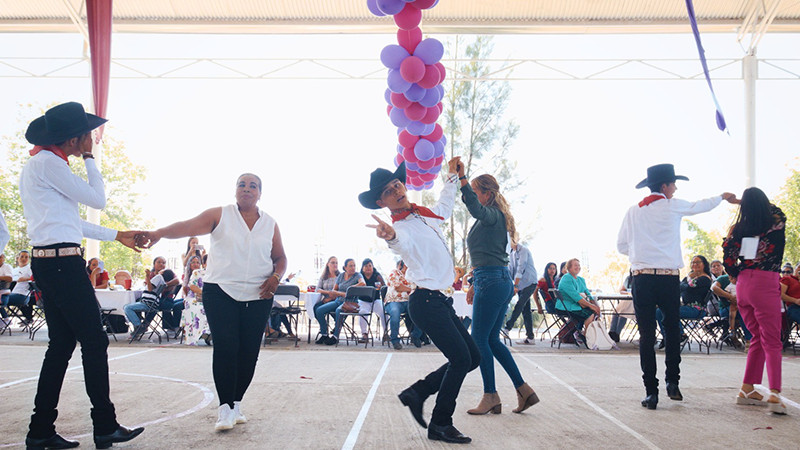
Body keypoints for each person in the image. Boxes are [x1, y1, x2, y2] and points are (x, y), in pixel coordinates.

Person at [19, 101, 144, 449]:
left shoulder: (41, 164)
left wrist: (116, 235)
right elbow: (97, 199)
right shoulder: (49, 164)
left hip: (50, 261)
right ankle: (104, 425)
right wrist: (91, 159)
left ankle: (40, 430)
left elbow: (70, 223)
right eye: (87, 136)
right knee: (93, 340)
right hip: (62, 264)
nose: (90, 140)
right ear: (75, 140)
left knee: (60, 345)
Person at [136, 172, 287, 430]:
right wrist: (158, 232)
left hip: (259, 294)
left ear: (260, 193)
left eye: (253, 186)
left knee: (249, 352)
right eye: (242, 184)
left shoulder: (270, 223)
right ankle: (224, 408)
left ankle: (237, 403)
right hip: (221, 291)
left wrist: (275, 277)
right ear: (235, 190)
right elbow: (187, 226)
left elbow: (280, 258)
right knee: (226, 347)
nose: (247, 189)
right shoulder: (221, 215)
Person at [364, 158, 479, 444]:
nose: (397, 190)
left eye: (397, 184)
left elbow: (444, 205)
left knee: (472, 358)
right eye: (389, 191)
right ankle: (440, 423)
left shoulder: (423, 215)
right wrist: (389, 236)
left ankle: (418, 392)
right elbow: (398, 241)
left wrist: (453, 176)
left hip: (440, 301)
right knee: (461, 359)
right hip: (425, 303)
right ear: (382, 202)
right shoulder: (401, 229)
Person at [617, 163, 737, 410]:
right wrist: (722, 197)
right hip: (669, 277)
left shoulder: (632, 211)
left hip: (642, 277)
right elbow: (700, 205)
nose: (675, 187)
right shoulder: (673, 206)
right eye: (673, 183)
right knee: (672, 330)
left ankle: (651, 393)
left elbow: (621, 246)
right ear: (664, 186)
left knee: (647, 335)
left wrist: (641, 252)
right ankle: (673, 382)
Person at [457, 169, 539, 417]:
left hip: (492, 280)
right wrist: (473, 282)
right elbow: (489, 255)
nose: (471, 195)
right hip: (495, 279)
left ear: (486, 194)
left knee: (479, 339)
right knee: (491, 339)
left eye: (474, 191)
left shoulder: (491, 214)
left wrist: (461, 181)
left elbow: (474, 208)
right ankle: (523, 390)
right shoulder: (493, 217)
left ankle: (490, 395)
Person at [723, 187, 787, 414]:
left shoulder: (739, 229)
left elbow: (728, 259)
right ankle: (775, 393)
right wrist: (743, 201)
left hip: (743, 285)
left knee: (757, 337)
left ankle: (747, 389)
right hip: (765, 283)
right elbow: (776, 210)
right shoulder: (775, 223)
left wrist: (735, 272)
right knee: (772, 340)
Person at [654, 255, 711, 349]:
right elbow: (679, 287)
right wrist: (687, 283)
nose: (695, 264)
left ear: (704, 264)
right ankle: (668, 337)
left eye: (698, 262)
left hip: (696, 310)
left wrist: (688, 279)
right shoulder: (690, 277)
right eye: (693, 262)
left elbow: (689, 286)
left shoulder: (705, 279)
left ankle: (679, 335)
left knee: (664, 312)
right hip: (685, 307)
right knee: (658, 311)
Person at [313, 258, 364, 345]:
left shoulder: (357, 275)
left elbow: (363, 284)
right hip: (338, 301)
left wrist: (349, 290)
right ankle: (324, 334)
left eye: (354, 265)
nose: (353, 267)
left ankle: (335, 336)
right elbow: (334, 290)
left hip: (350, 302)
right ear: (345, 267)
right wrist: (338, 294)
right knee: (319, 310)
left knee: (338, 311)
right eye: (350, 266)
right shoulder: (341, 276)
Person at [503, 238, 539, 345]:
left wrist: (515, 285)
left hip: (529, 282)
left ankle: (507, 328)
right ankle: (530, 337)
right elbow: (511, 270)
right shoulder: (512, 253)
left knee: (520, 305)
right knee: (525, 310)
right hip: (520, 284)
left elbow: (520, 268)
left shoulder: (523, 250)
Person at [557, 258, 601, 344]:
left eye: (579, 265)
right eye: (575, 265)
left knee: (593, 312)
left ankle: (587, 335)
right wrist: (591, 306)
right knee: (589, 313)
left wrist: (596, 306)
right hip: (566, 306)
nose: (578, 267)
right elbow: (575, 296)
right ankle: (588, 339)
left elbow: (588, 294)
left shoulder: (581, 279)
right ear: (569, 268)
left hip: (577, 306)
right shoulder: (566, 278)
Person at [384, 259, 421, 350]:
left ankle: (415, 335)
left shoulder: (413, 276)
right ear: (401, 264)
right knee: (395, 312)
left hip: (409, 301)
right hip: (393, 301)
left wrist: (411, 288)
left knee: (420, 310)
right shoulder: (394, 273)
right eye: (407, 265)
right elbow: (398, 287)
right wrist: (412, 289)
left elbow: (419, 288)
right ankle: (395, 340)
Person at [181, 254, 211, 346]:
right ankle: (202, 334)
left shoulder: (218, 274)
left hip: (210, 298)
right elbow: (192, 286)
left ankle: (209, 334)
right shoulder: (197, 272)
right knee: (200, 308)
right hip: (195, 298)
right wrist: (205, 294)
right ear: (204, 264)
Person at [0, 250, 35, 324]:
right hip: (11, 293)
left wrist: (25, 279)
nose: (24, 259)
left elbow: (36, 278)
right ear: (17, 258)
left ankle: (5, 320)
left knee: (1, 298)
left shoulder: (29, 268)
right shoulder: (14, 270)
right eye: (22, 256)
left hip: (22, 296)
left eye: (26, 257)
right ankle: (5, 319)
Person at [358, 258, 387, 343]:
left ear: (373, 267)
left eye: (370, 265)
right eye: (366, 266)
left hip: (376, 300)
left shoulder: (377, 275)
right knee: (362, 312)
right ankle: (364, 334)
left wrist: (381, 289)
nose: (368, 268)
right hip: (363, 300)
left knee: (384, 311)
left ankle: (386, 333)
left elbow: (384, 287)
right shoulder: (360, 276)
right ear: (362, 268)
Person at [608, 270, 634, 343]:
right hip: (626, 299)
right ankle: (612, 332)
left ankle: (617, 333)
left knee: (623, 313)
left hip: (635, 303)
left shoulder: (642, 279)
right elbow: (622, 290)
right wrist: (627, 292)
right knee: (616, 311)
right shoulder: (629, 279)